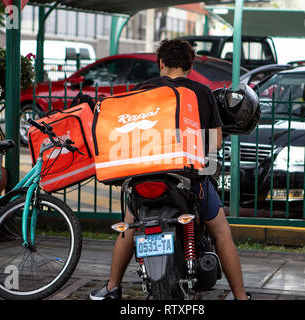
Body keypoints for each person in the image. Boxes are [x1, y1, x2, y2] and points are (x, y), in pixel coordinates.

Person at [89, 39, 249, 300]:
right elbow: (217, 140)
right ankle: (241, 297)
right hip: (189, 179)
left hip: (145, 177)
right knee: (221, 232)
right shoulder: (201, 91)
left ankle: (112, 287)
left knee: (129, 227)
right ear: (190, 64)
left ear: (161, 63)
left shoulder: (143, 89)